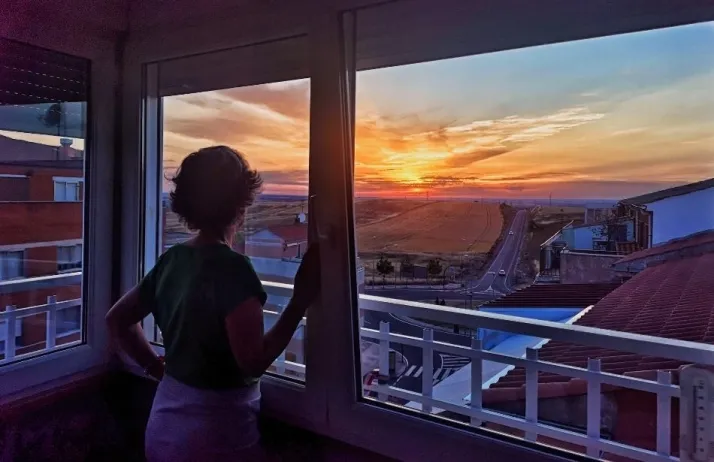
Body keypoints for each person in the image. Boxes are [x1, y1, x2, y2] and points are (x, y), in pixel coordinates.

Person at [105, 146, 321, 461]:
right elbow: (252, 362)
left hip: (162, 431)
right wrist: (299, 302)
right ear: (240, 204)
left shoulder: (173, 259)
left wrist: (154, 367)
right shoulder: (233, 268)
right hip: (216, 440)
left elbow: (117, 319)